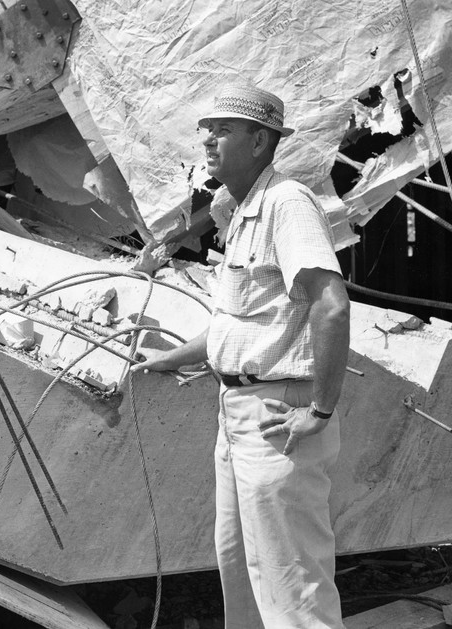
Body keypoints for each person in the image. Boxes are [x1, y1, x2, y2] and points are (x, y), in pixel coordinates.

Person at [132, 84, 350, 628]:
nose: (207, 139)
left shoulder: (287, 203)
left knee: (292, 586)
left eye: (223, 129)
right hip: (236, 415)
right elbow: (236, 323)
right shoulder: (241, 209)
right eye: (207, 128)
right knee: (242, 573)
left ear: (259, 141)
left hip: (278, 417)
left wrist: (319, 410)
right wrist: (171, 357)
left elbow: (331, 307)